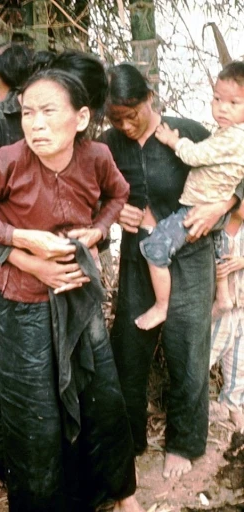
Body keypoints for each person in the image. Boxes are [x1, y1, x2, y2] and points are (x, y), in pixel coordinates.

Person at [0, 69, 144, 512]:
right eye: (27, 113)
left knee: (101, 395)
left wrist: (96, 231)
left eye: (48, 112)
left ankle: (119, 495)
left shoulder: (95, 156)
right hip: (22, 299)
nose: (35, 124)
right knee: (31, 406)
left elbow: (118, 194)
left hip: (77, 293)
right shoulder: (8, 159)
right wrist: (22, 241)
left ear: (80, 118)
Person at [100, 62, 243, 480]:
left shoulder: (190, 133)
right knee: (128, 348)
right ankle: (131, 439)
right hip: (137, 257)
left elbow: (237, 175)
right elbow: (94, 195)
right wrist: (114, 212)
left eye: (133, 114)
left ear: (150, 98)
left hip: (193, 257)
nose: (126, 125)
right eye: (116, 118)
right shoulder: (107, 144)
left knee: (188, 350)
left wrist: (226, 204)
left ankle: (183, 443)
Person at [136, 60, 244, 330]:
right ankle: (223, 295)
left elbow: (195, 156)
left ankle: (162, 305)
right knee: (217, 251)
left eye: (234, 103)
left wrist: (173, 140)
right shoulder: (230, 133)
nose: (222, 108)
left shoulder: (234, 138)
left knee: (155, 247)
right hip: (216, 208)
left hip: (198, 208)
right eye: (217, 99)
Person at [210, 200, 244, 431]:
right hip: (219, 307)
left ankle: (233, 405)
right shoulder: (216, 231)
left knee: (239, 360)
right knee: (206, 353)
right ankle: (194, 406)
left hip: (241, 305)